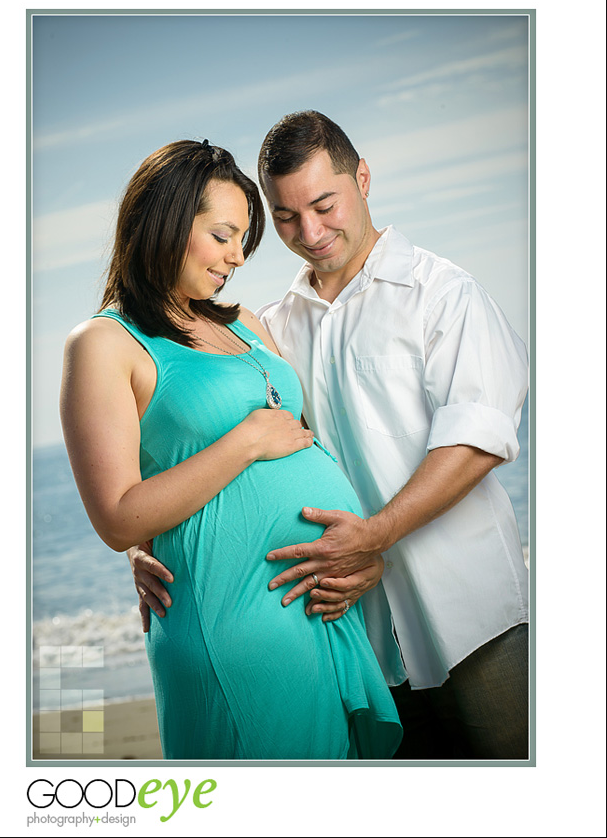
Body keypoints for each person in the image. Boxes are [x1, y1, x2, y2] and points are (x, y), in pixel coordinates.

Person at [130, 113, 530, 761]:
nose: (309, 232)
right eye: (285, 217)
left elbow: (477, 438)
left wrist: (378, 536)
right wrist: (146, 540)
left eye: (323, 204)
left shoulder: (442, 294)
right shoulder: (272, 327)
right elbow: (218, 440)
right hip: (349, 631)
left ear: (362, 178)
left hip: (467, 618)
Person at [60, 138, 402, 761]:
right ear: (164, 223)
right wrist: (245, 441)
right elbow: (117, 516)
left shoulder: (244, 321)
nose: (238, 257)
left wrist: (361, 552)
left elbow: (296, 447)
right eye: (222, 235)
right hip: (234, 621)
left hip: (315, 603)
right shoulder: (103, 344)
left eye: (244, 239)